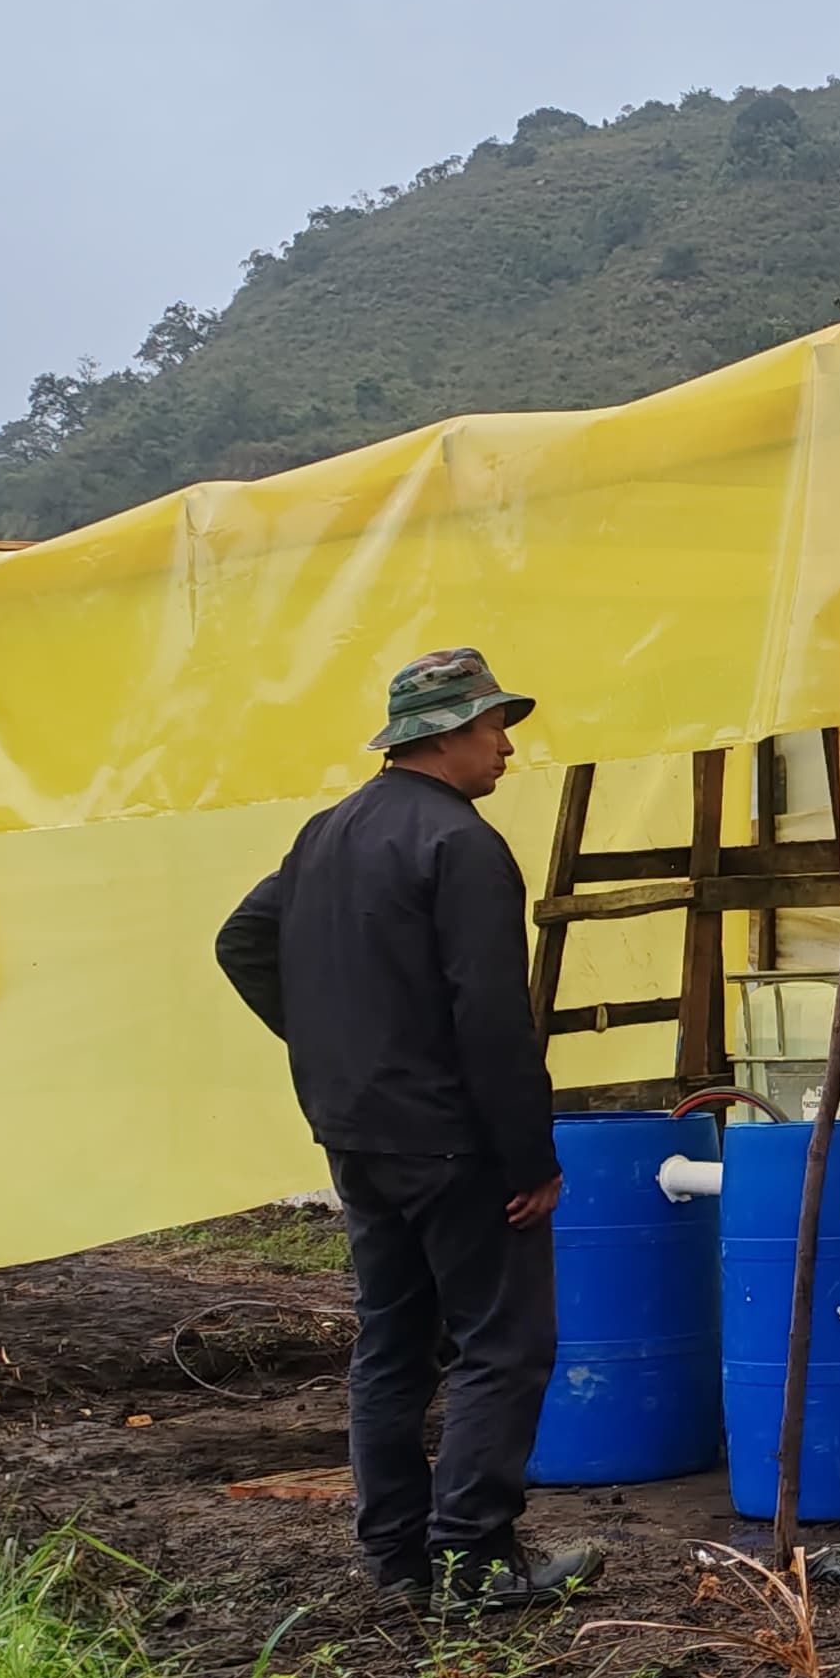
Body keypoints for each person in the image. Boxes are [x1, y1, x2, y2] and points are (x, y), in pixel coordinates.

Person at [214, 648, 603, 1617]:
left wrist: (337, 1046)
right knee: (501, 1345)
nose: (505, 746)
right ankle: (472, 1560)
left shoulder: (327, 832)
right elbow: (492, 1017)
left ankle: (395, 1557)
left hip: (357, 1133)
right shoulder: (461, 844)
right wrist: (531, 1158)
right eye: (492, 727)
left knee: (392, 1342)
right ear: (444, 736)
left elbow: (243, 940)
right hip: (452, 1141)